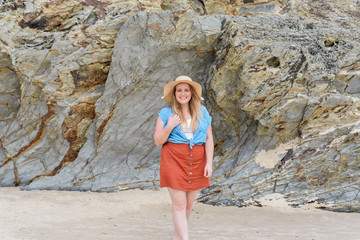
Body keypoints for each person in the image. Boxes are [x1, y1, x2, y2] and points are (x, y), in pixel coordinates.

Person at [154, 75, 214, 240]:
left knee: (188, 205)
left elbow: (209, 138)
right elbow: (158, 141)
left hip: (197, 160)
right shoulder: (165, 113)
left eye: (186, 90)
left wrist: (209, 163)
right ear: (174, 94)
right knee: (179, 204)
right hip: (173, 160)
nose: (182, 93)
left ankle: (176, 237)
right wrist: (170, 126)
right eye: (179, 90)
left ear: (191, 93)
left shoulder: (202, 112)